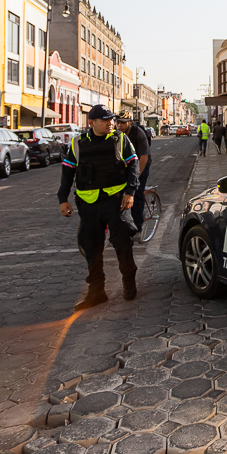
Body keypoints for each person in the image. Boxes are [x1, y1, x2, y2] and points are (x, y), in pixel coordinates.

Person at [57, 104, 141, 311]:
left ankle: (129, 284)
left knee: (122, 244)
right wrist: (62, 198)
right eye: (105, 120)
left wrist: (130, 192)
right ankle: (97, 292)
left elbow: (133, 165)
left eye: (111, 119)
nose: (110, 123)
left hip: (116, 202)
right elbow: (67, 171)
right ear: (91, 123)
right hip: (88, 204)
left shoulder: (121, 139)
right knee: (92, 248)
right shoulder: (78, 144)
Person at [116, 110, 151, 233]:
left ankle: (138, 226)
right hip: (126, 163)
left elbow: (144, 157)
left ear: (130, 122)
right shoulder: (115, 135)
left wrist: (135, 177)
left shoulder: (138, 133)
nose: (120, 125)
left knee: (137, 192)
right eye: (118, 122)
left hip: (142, 163)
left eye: (123, 123)